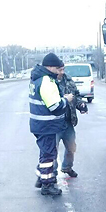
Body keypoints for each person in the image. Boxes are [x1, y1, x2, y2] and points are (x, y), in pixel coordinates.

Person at [29, 53, 73, 196]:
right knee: (48, 156)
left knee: (45, 153)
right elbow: (55, 106)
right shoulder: (46, 82)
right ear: (49, 67)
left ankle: (41, 178)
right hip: (46, 125)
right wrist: (66, 100)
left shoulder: (37, 79)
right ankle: (47, 185)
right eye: (56, 68)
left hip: (40, 124)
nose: (58, 71)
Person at [56, 66, 88, 178]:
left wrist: (81, 105)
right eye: (59, 69)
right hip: (54, 123)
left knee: (71, 146)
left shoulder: (68, 80)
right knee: (51, 150)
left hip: (68, 121)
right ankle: (49, 175)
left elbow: (76, 96)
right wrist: (63, 98)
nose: (62, 72)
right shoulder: (49, 83)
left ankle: (67, 167)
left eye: (63, 69)